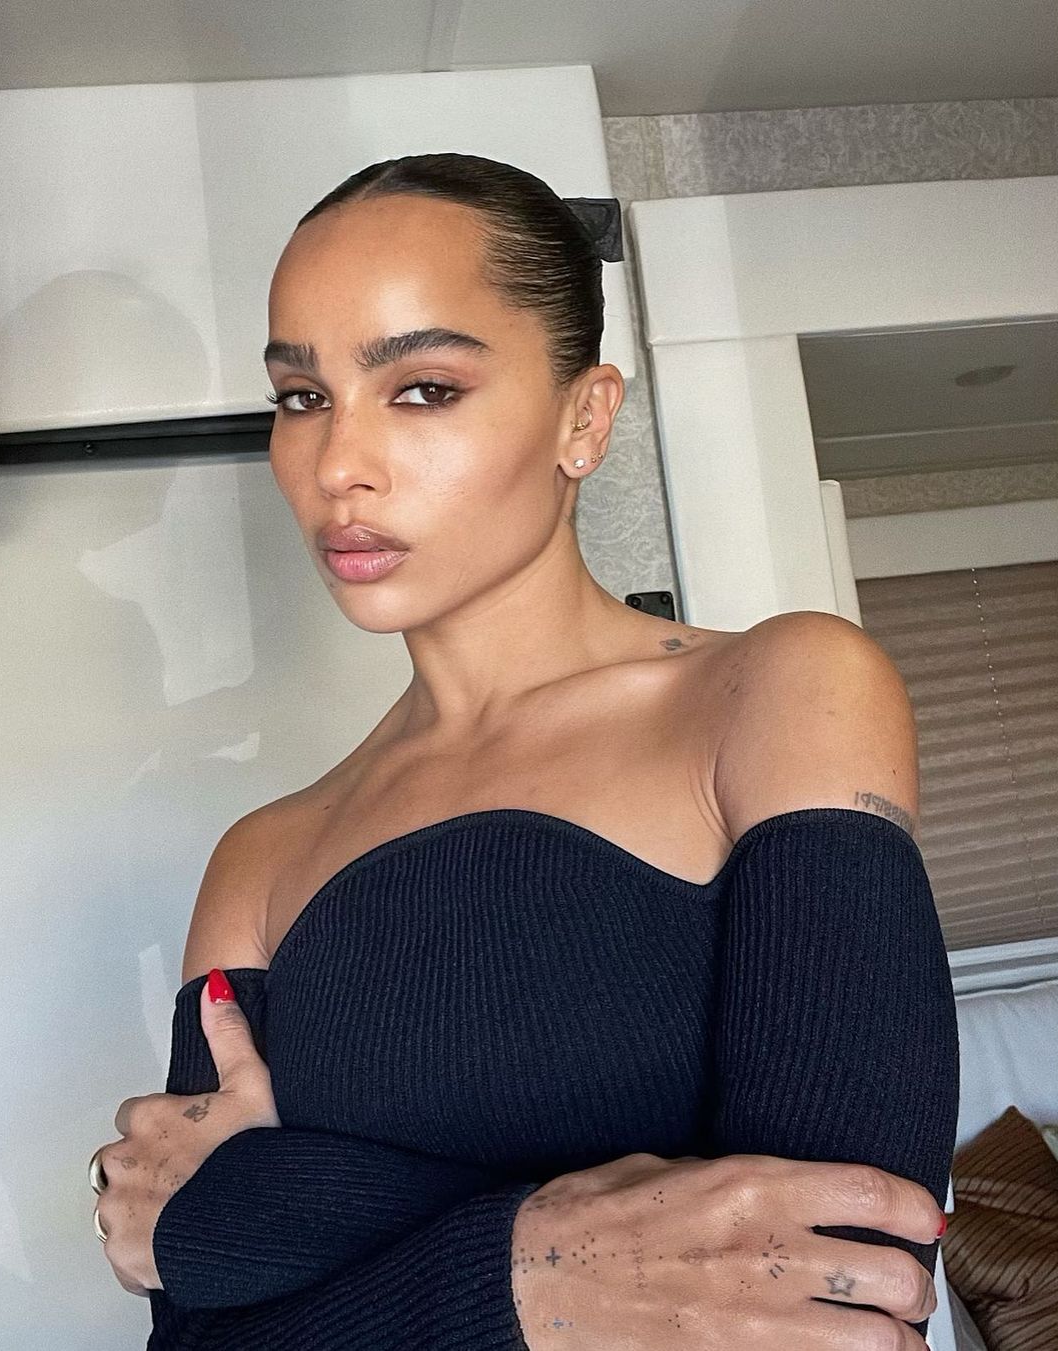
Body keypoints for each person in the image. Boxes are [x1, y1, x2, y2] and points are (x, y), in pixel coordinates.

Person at [88, 152, 959, 1349]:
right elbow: (196, 1339)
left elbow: (841, 1286)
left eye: (423, 388)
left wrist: (272, 1216)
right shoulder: (262, 859)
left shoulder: (780, 691)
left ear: (582, 417)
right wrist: (540, 1271)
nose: (336, 465)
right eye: (301, 397)